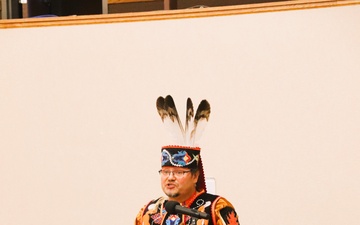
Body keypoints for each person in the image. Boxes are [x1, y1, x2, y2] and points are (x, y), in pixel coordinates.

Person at [135, 95, 240, 225]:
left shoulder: (215, 209)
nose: (170, 177)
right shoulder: (149, 212)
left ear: (195, 176)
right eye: (165, 172)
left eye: (179, 172)